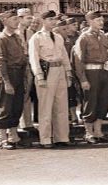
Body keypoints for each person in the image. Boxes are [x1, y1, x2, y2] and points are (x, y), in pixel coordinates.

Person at [29, 10, 73, 148]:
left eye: (54, 19)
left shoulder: (58, 37)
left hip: (59, 70)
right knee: (45, 106)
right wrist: (39, 76)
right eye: (50, 20)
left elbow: (64, 56)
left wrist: (68, 73)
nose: (53, 22)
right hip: (47, 71)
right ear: (43, 21)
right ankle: (46, 138)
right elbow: (34, 58)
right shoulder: (36, 37)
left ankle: (62, 137)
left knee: (61, 106)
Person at [73, 11, 108, 144]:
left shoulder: (104, 36)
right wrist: (83, 79)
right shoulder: (84, 38)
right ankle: (88, 133)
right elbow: (79, 60)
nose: (101, 23)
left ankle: (98, 132)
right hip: (91, 73)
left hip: (104, 73)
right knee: (91, 102)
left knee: (103, 102)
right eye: (98, 20)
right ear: (90, 21)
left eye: (102, 20)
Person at [0, 10, 28, 150]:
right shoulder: (1, 39)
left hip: (19, 73)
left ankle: (13, 136)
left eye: (17, 19)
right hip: (8, 74)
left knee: (17, 106)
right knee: (6, 107)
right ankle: (2, 138)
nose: (17, 21)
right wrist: (6, 82)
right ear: (5, 21)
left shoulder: (16, 37)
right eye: (14, 19)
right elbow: (0, 62)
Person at [16, 8, 37, 135]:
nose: (30, 20)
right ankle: (16, 122)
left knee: (27, 93)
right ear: (20, 18)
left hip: (28, 63)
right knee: (18, 93)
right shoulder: (14, 32)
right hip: (18, 64)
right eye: (27, 18)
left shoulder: (31, 33)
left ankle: (27, 122)